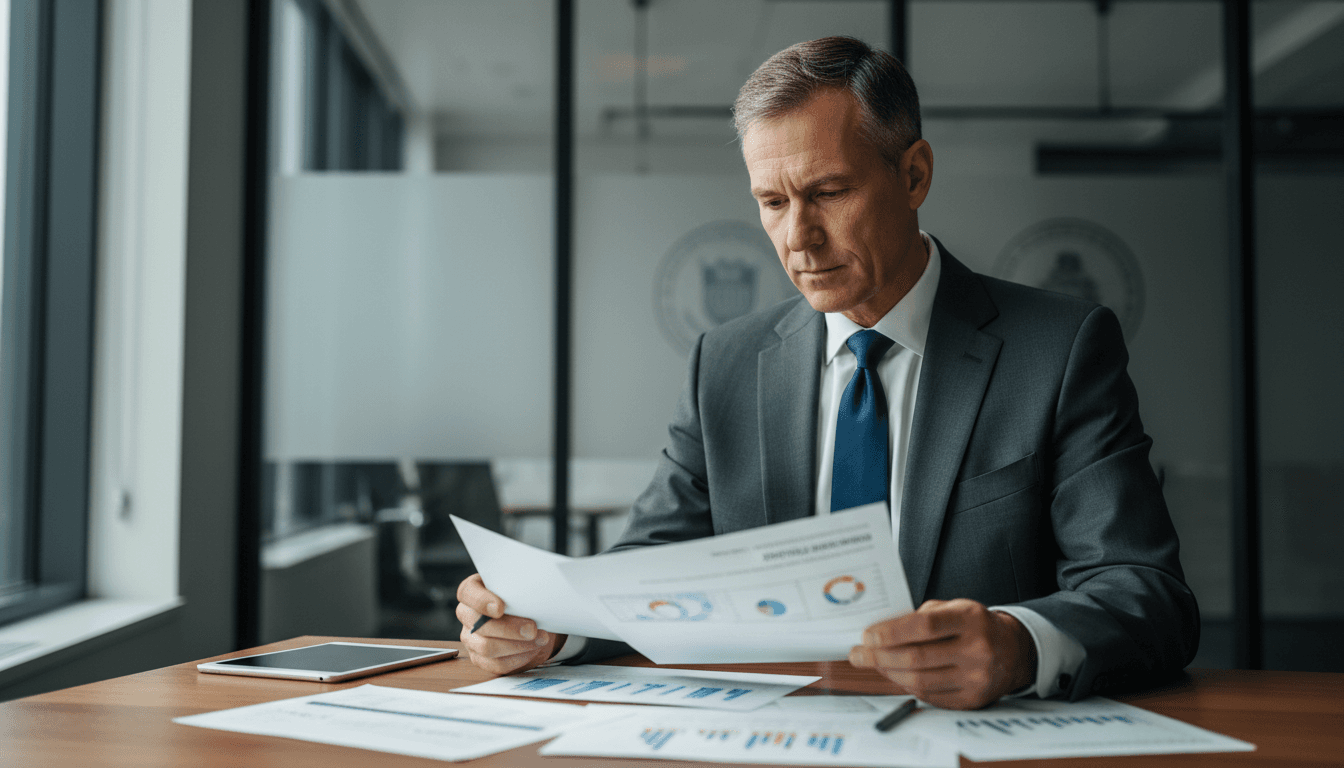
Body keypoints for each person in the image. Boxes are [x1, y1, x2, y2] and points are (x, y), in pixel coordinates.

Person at [456, 36, 1198, 710]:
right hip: (774, 735)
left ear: (913, 175)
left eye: (828, 194)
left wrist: (1017, 644)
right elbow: (650, 567)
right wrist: (549, 627)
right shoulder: (726, 362)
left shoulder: (1059, 350)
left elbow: (1146, 592)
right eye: (772, 203)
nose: (797, 238)